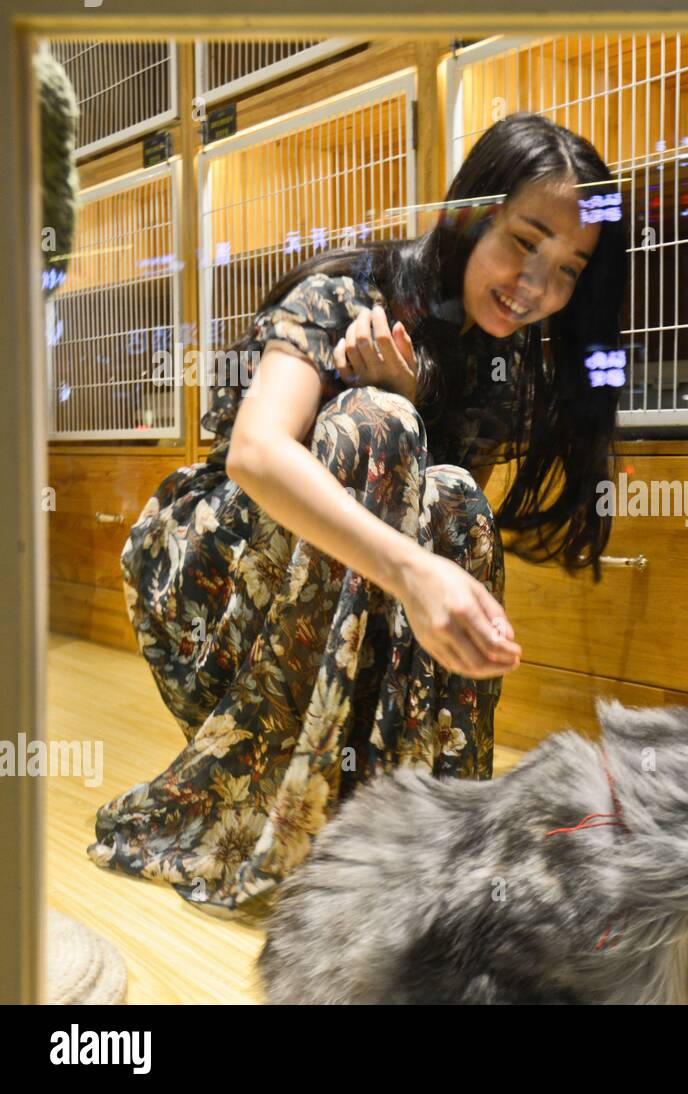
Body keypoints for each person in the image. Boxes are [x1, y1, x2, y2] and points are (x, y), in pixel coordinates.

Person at [87, 111, 630, 918]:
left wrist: (418, 418)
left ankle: (423, 834)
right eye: (524, 240)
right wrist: (385, 434)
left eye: (569, 268)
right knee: (375, 423)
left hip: (331, 612)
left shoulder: (511, 363)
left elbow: (431, 515)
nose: (539, 285)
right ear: (473, 212)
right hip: (211, 593)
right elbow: (257, 454)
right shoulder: (352, 288)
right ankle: (276, 820)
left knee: (448, 490)